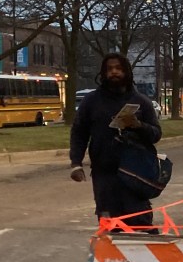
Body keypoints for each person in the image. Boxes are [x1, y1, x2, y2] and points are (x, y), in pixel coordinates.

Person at [69, 53, 163, 229]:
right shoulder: (91, 101)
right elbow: (79, 132)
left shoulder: (141, 102)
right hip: (104, 175)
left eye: (118, 68)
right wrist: (76, 163)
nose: (114, 72)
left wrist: (139, 125)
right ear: (103, 73)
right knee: (110, 227)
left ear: (126, 71)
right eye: (109, 69)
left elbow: (156, 134)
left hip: (136, 174)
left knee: (139, 225)